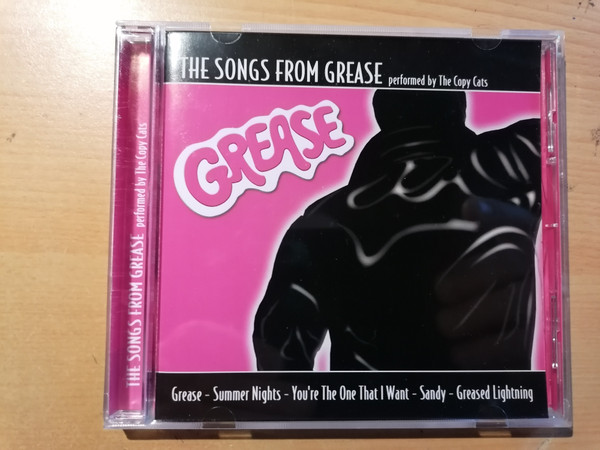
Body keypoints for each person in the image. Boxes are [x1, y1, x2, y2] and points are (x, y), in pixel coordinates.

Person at [253, 90, 541, 371]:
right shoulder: (511, 172)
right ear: (459, 109)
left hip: (371, 400)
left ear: (382, 114)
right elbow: (552, 133)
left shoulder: (324, 221)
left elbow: (277, 344)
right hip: (491, 397)